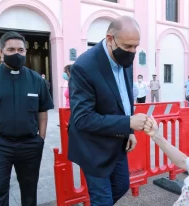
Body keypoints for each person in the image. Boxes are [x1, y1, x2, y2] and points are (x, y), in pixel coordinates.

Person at [0, 31, 54, 206]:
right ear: (1, 52)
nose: (16, 53)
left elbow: (42, 111)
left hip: (29, 145)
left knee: (29, 192)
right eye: (11, 49)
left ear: (26, 51)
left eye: (20, 50)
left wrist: (40, 138)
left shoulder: (36, 80)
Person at [68, 16, 147, 205]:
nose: (133, 52)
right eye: (128, 47)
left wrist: (129, 131)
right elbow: (83, 119)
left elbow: (123, 98)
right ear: (110, 39)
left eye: (136, 47)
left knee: (121, 186)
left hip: (117, 141)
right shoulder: (84, 66)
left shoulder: (124, 59)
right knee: (102, 200)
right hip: (92, 147)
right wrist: (128, 123)